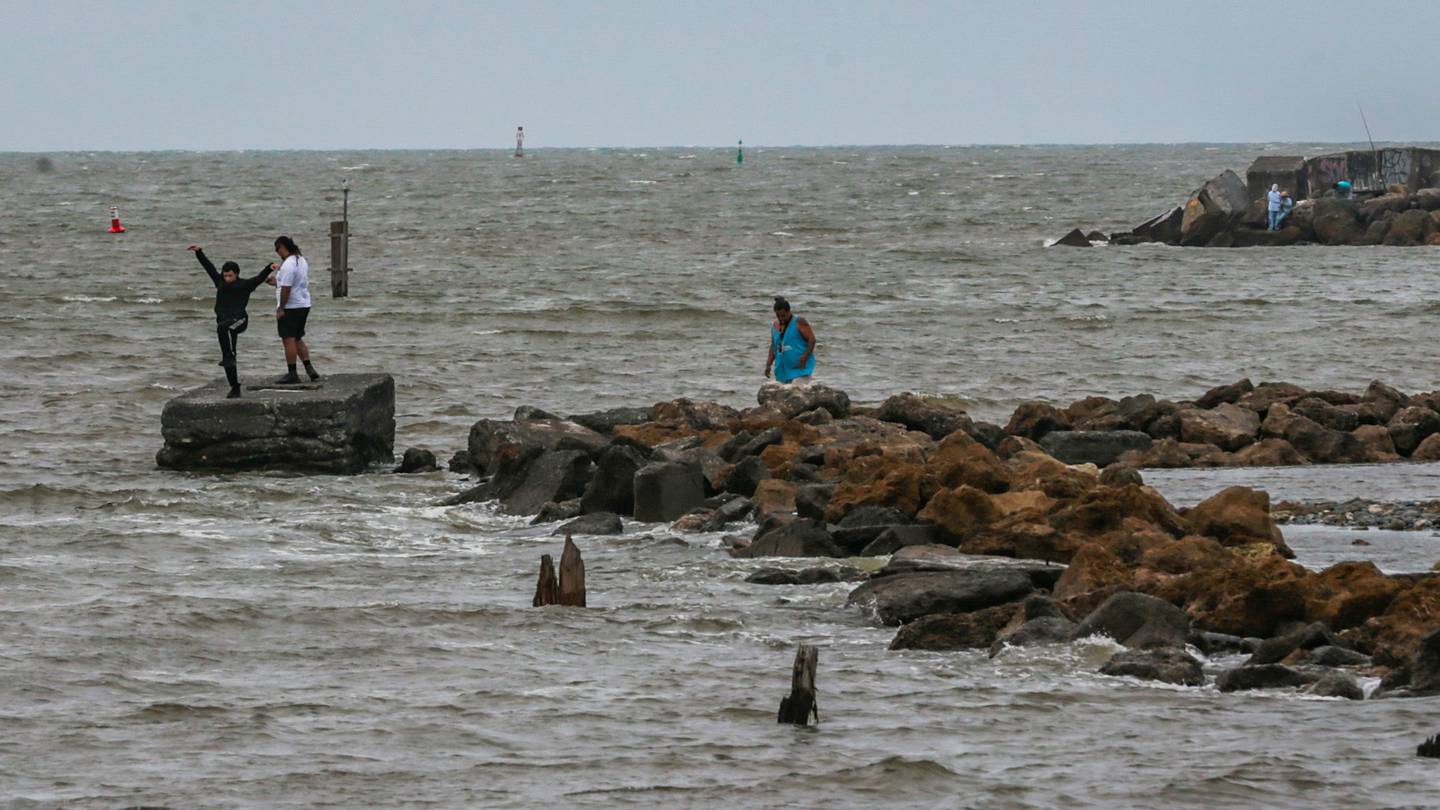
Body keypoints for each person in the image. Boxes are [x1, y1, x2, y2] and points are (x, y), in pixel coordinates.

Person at [187, 245, 273, 398]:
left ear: (237, 274)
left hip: (240, 320)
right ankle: (234, 386)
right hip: (225, 323)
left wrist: (269, 268)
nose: (227, 279)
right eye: (225, 276)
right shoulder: (220, 282)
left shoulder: (245, 285)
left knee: (224, 334)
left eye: (230, 276)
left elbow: (259, 278)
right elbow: (209, 268)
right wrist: (199, 252)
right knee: (229, 356)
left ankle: (228, 357)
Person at [267, 235, 320, 384]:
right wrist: (274, 282)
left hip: (291, 306)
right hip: (303, 304)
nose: (277, 253)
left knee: (288, 339)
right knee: (297, 338)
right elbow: (290, 282)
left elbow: (287, 289)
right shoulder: (301, 260)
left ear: (283, 247)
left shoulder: (289, 264)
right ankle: (309, 368)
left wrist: (281, 308)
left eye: (277, 249)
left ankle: (292, 373)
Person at [764, 296, 816, 384]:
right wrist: (768, 365)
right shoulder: (774, 326)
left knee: (797, 393)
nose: (781, 318)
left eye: (783, 315)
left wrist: (805, 356)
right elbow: (773, 346)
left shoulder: (799, 322)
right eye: (778, 316)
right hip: (782, 372)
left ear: (789, 311)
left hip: (800, 370)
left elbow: (812, 339)